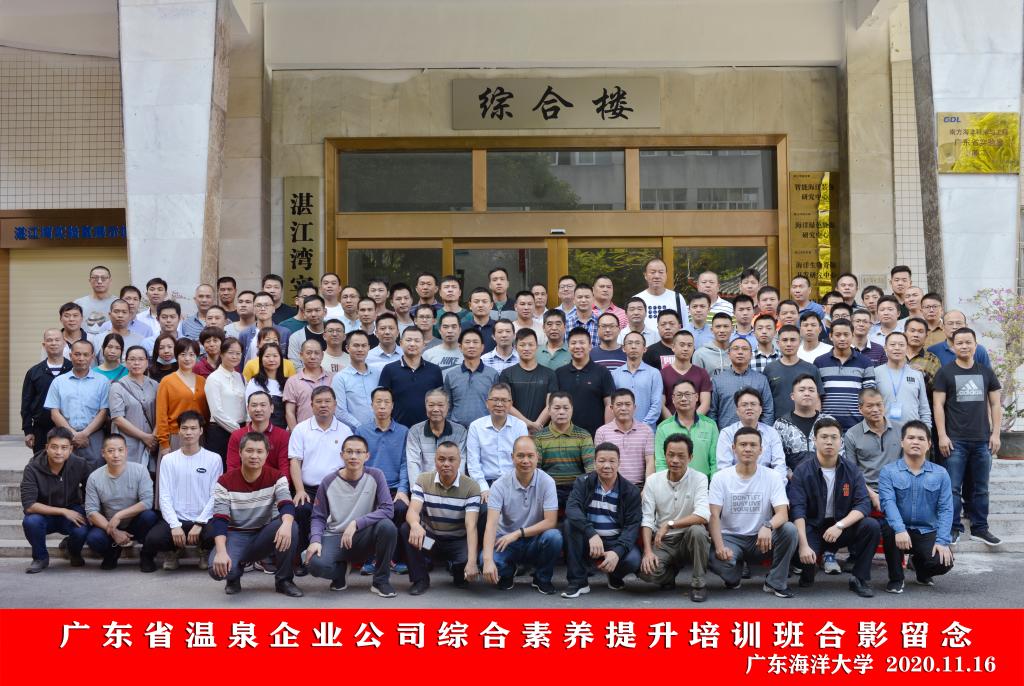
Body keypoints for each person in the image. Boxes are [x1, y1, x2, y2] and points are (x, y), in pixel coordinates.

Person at [788, 417, 879, 597]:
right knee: (804, 559)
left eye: (834, 437)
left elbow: (863, 504)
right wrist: (803, 545)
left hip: (840, 527)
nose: (829, 442)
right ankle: (808, 570)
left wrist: (840, 525)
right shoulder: (802, 471)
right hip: (812, 527)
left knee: (871, 526)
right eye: (824, 437)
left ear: (841, 441)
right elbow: (798, 509)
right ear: (814, 440)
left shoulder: (851, 470)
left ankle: (859, 579)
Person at [708, 427, 798, 598]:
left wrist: (768, 526)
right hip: (731, 538)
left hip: (761, 539)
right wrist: (719, 547)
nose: (748, 449)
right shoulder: (721, 478)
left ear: (761, 450)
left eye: (753, 445)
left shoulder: (772, 476)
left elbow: (782, 513)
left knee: (789, 530)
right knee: (719, 561)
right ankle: (733, 575)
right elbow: (713, 516)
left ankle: (775, 582)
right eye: (743, 445)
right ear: (733, 448)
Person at [209, 431, 302, 596]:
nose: (254, 456)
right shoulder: (225, 481)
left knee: (291, 526)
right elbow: (220, 520)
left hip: (264, 534)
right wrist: (221, 552)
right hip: (236, 535)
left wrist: (287, 524)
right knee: (217, 570)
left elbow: (286, 503)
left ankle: (284, 580)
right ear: (240, 452)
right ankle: (234, 576)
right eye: (249, 450)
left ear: (266, 454)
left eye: (259, 451)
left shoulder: (276, 477)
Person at [304, 434, 398, 597]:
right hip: (335, 537)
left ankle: (380, 581)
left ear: (367, 456)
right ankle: (340, 572)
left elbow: (388, 509)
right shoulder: (328, 481)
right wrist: (315, 541)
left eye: (359, 452)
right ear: (342, 455)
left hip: (364, 536)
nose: (354, 456)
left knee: (387, 527)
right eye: (349, 452)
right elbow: (318, 517)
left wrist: (356, 523)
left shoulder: (376, 475)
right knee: (314, 564)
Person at [933, 327, 1002, 546]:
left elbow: (995, 404)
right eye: (959, 343)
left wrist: (996, 434)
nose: (964, 346)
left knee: (981, 488)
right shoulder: (945, 372)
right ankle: (953, 528)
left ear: (975, 345)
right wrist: (942, 436)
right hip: (955, 441)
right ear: (953, 346)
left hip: (982, 439)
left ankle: (980, 528)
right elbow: (938, 405)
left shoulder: (986, 372)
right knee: (953, 488)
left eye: (968, 342)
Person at [878, 421, 954, 593]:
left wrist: (942, 541)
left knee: (944, 562)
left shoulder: (941, 473)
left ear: (929, 444)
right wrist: (900, 529)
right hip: (899, 529)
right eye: (911, 438)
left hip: (926, 530)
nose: (915, 442)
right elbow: (888, 503)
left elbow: (946, 509)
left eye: (921, 439)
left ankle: (920, 567)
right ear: (902, 442)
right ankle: (896, 578)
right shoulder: (888, 472)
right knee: (889, 528)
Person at [141, 412, 222, 572]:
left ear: (201, 431)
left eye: (193, 428)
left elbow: (216, 495)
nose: (188, 432)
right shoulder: (168, 460)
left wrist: (200, 523)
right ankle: (173, 551)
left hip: (204, 519)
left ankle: (205, 551)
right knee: (154, 539)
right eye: (184, 428)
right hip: (177, 518)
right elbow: (164, 496)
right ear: (178, 431)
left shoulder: (214, 459)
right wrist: (174, 525)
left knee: (216, 534)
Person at [481, 435, 562, 594]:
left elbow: (550, 521)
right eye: (520, 456)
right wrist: (488, 561)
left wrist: (518, 533)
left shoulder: (547, 482)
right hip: (506, 541)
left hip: (534, 540)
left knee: (554, 537)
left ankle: (542, 578)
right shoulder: (499, 485)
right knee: (486, 560)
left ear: (537, 457)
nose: (526, 460)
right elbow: (491, 524)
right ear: (512, 457)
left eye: (530, 456)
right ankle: (508, 572)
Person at [561, 443, 643, 598]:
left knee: (633, 560)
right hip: (589, 540)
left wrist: (617, 552)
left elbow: (632, 526)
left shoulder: (630, 491)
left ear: (619, 463)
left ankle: (615, 575)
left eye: (612, 461)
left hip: (615, 540)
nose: (607, 466)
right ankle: (578, 582)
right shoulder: (583, 482)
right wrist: (591, 533)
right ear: (594, 463)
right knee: (569, 525)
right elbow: (572, 509)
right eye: (602, 461)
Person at [637, 433, 711, 602]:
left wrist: (670, 524)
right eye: (671, 455)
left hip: (688, 538)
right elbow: (647, 518)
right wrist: (648, 552)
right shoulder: (653, 480)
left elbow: (703, 515)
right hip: (664, 542)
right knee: (646, 573)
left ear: (690, 457)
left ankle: (699, 584)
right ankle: (670, 573)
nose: (675, 460)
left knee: (698, 531)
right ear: (665, 455)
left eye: (681, 456)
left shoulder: (699, 478)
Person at [402, 441, 481, 595]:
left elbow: (471, 526)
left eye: (451, 459)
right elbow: (412, 511)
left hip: (457, 543)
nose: (446, 464)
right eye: (441, 459)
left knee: (465, 561)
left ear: (459, 461)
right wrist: (415, 525)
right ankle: (420, 579)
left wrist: (472, 562)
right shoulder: (423, 480)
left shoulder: (471, 487)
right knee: (407, 529)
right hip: (432, 543)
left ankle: (458, 570)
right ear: (435, 460)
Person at [289, 386, 353, 566]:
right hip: (308, 489)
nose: (323, 405)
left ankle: (337, 559)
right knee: (301, 510)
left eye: (327, 401)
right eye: (318, 402)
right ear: (311, 405)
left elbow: (350, 463)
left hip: (337, 489)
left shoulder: (345, 431)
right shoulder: (301, 429)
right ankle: (303, 559)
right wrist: (299, 490)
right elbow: (295, 461)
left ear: (335, 404)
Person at [356, 387, 411, 575]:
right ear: (371, 405)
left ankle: (394, 558)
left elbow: (405, 463)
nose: (382, 406)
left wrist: (403, 489)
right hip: (369, 487)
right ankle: (372, 559)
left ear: (393, 405)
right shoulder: (362, 430)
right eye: (378, 402)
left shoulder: (403, 431)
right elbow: (358, 463)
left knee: (401, 509)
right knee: (368, 509)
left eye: (386, 402)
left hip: (395, 488)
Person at [20, 427, 91, 573]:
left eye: (64, 447)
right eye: (54, 447)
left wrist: (86, 510)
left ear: (70, 449)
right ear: (47, 447)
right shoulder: (32, 468)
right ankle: (40, 558)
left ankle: (73, 551)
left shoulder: (80, 464)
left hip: (71, 508)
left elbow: (91, 490)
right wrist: (63, 511)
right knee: (31, 521)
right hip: (43, 513)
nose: (59, 452)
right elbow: (29, 505)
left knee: (83, 526)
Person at [84, 434, 158, 570]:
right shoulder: (94, 477)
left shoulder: (140, 470)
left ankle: (146, 555)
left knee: (149, 516)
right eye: (111, 451)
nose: (116, 455)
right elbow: (91, 511)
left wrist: (119, 515)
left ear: (126, 451)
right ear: (103, 453)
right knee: (94, 539)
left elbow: (147, 502)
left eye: (120, 450)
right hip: (109, 524)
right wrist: (114, 531)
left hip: (135, 522)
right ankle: (111, 552)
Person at [44, 339, 109, 471]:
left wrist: (85, 433)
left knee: (95, 472)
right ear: (70, 355)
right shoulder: (59, 382)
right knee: (65, 472)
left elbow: (103, 412)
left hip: (93, 435)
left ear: (92, 357)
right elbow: (54, 413)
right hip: (65, 434)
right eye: (77, 354)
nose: (81, 358)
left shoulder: (102, 381)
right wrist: (72, 434)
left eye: (86, 355)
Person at [843, 388, 902, 511]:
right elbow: (852, 473)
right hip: (866, 491)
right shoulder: (852, 435)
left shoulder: (900, 430)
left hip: (898, 489)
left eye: (879, 404)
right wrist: (872, 495)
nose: (875, 409)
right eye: (870, 406)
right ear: (860, 409)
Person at [466, 383, 530, 497]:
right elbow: (473, 462)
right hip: (486, 483)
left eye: (504, 400)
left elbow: (523, 459)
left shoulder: (520, 426)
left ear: (510, 404)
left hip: (514, 483)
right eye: (495, 400)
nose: (499, 404)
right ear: (487, 403)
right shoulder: (476, 426)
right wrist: (483, 488)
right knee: (484, 506)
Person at [534, 392, 595, 508]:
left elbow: (590, 468)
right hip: (548, 489)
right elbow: (536, 469)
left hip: (577, 489)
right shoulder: (539, 437)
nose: (561, 412)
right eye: (557, 408)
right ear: (549, 410)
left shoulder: (583, 435)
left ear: (572, 409)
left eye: (566, 408)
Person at [815, 318, 876, 431]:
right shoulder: (819, 362)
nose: (842, 338)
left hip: (857, 427)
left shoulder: (865, 362)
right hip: (826, 426)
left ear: (852, 335)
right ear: (830, 336)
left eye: (846, 334)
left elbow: (869, 395)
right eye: (838, 335)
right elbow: (816, 395)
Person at [556, 328, 615, 436]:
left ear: (590, 346)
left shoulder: (602, 372)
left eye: (582, 342)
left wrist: (606, 433)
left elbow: (609, 404)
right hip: (565, 436)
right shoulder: (559, 373)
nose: (578, 346)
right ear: (568, 347)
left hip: (594, 435)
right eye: (573, 343)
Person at [109, 345, 160, 471]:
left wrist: (153, 437)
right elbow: (117, 419)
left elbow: (161, 413)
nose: (136, 363)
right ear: (126, 362)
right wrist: (144, 437)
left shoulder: (155, 385)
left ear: (147, 362)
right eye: (132, 359)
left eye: (141, 359)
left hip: (152, 444)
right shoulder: (117, 386)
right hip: (128, 442)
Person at [654, 379, 718, 478]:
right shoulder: (663, 428)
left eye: (688, 394)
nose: (683, 399)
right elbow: (661, 463)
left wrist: (713, 483)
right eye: (679, 395)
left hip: (704, 484)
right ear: (673, 399)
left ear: (696, 397)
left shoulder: (710, 426)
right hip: (673, 484)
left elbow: (715, 462)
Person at [716, 388, 787, 477]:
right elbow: (724, 468)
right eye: (744, 405)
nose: (749, 408)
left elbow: (779, 465)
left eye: (753, 404)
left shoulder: (771, 433)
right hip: (736, 483)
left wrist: (776, 484)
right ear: (737, 410)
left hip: (767, 482)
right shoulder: (727, 433)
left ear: (760, 409)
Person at [22, 329, 72, 452]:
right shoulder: (34, 372)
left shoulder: (72, 369)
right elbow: (26, 403)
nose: (53, 343)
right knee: (41, 461)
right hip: (41, 429)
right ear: (44, 345)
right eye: (49, 340)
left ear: (64, 343)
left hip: (70, 428)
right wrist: (28, 430)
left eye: (57, 340)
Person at [156, 338, 210, 453]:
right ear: (176, 356)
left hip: (198, 436)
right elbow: (161, 414)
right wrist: (164, 442)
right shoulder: (167, 381)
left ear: (197, 357)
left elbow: (206, 412)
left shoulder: (202, 381)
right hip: (176, 436)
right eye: (183, 354)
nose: (187, 358)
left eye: (191, 355)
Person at [405, 388, 469, 485]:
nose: (435, 409)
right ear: (425, 406)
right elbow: (413, 464)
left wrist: (455, 489)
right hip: (424, 486)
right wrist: (417, 490)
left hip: (452, 486)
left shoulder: (460, 432)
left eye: (440, 405)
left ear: (448, 407)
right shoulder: (415, 431)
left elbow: (460, 464)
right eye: (431, 405)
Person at [774, 375, 835, 473]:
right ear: (792, 396)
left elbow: (839, 453)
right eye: (802, 390)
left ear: (817, 395)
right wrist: (790, 475)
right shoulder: (781, 424)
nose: (807, 393)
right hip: (792, 480)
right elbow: (776, 459)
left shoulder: (829, 422)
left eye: (811, 390)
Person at [499, 328, 557, 431]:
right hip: (514, 431)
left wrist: (537, 425)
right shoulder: (506, 374)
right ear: (515, 347)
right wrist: (528, 424)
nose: (526, 348)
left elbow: (551, 404)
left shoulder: (549, 374)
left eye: (531, 345)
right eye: (522, 345)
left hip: (543, 431)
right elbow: (506, 403)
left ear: (537, 347)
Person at [595, 389, 655, 486]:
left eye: (627, 404)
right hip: (611, 487)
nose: (623, 408)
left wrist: (647, 488)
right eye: (619, 404)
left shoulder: (646, 431)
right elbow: (598, 463)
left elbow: (650, 461)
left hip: (639, 487)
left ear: (634, 407)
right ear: (611, 408)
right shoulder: (602, 432)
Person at [709, 338, 774, 429]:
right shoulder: (717, 380)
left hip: (755, 434)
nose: (740, 352)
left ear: (751, 355)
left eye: (744, 349)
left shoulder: (761, 380)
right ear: (729, 354)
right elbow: (712, 412)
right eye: (736, 348)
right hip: (726, 434)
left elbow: (768, 411)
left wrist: (763, 433)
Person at [226, 391, 291, 476]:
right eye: (254, 405)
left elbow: (285, 469)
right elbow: (232, 469)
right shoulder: (237, 436)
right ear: (248, 409)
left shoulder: (283, 436)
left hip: (274, 483)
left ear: (272, 408)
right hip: (244, 482)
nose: (258, 409)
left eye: (263, 405)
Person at [444, 328, 500, 427]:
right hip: (457, 430)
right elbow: (447, 406)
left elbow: (497, 405)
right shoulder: (451, 375)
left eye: (475, 342)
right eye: (467, 342)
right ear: (460, 347)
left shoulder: (493, 374)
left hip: (484, 429)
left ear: (482, 347)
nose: (471, 345)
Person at [764, 324, 822, 418]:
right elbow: (766, 401)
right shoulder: (770, 369)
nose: (789, 344)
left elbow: (817, 400)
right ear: (778, 343)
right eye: (785, 340)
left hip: (807, 423)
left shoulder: (811, 369)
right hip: (777, 423)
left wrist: (815, 422)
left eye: (793, 340)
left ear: (800, 342)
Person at [875, 331, 931, 427]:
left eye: (901, 345)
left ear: (907, 348)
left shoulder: (917, 374)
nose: (897, 348)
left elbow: (924, 409)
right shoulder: (876, 373)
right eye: (892, 344)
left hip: (912, 431)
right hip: (884, 430)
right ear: (885, 348)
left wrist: (927, 430)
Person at [203, 337, 246, 462]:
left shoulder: (241, 377)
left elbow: (246, 404)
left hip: (241, 429)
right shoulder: (214, 378)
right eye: (231, 353)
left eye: (238, 353)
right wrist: (238, 430)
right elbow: (216, 412)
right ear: (221, 354)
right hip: (220, 432)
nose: (235, 356)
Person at [611, 330, 663, 429]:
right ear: (623, 348)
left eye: (637, 343)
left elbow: (656, 404)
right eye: (630, 343)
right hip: (621, 430)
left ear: (645, 349)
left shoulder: (654, 373)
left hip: (647, 431)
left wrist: (642, 427)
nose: (633, 346)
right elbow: (613, 404)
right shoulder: (615, 374)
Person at [332, 330, 380, 430]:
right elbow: (340, 412)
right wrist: (362, 429)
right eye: (356, 345)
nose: (360, 349)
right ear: (347, 348)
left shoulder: (377, 374)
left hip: (380, 430)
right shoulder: (340, 378)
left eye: (364, 345)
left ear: (369, 348)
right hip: (354, 434)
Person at [283, 339, 334, 429]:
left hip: (330, 431)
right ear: (301, 355)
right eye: (308, 353)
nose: (312, 357)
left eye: (316, 353)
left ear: (322, 355)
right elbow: (290, 412)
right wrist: (296, 433)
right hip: (304, 432)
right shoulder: (293, 381)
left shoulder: (332, 379)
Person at [660, 330, 712, 417]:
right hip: (670, 423)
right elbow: (661, 405)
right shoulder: (662, 374)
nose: (686, 349)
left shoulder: (702, 373)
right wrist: (673, 422)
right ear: (673, 347)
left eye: (689, 345)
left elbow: (705, 404)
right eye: (682, 345)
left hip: (697, 422)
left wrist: (692, 421)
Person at [635, 257, 688, 329]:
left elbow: (685, 327)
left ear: (666, 275)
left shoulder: (677, 298)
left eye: (661, 272)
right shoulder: (637, 299)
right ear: (645, 275)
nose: (657, 276)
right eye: (653, 272)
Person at [928, 310, 993, 367]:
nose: (955, 327)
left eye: (958, 323)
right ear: (943, 327)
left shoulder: (979, 350)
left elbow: (987, 375)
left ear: (966, 326)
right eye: (950, 323)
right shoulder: (933, 351)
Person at [238, 291, 291, 362]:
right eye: (258, 305)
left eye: (267, 305)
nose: (263, 309)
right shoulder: (245, 334)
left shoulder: (285, 333)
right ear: (253, 309)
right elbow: (240, 362)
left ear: (273, 308)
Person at [245, 342, 287, 429]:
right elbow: (249, 412)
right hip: (260, 430)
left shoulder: (287, 382)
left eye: (275, 356)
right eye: (267, 356)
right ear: (261, 359)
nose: (271, 359)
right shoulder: (254, 382)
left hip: (283, 430)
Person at [286, 294, 327, 365]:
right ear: (304, 314)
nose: (313, 314)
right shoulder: (296, 338)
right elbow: (295, 365)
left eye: (317, 310)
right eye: (309, 311)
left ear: (325, 312)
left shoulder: (334, 334)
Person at [75, 265, 116, 335]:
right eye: (95, 278)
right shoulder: (78, 303)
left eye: (103, 278)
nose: (99, 281)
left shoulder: (118, 303)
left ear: (110, 280)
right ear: (90, 281)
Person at [461, 287, 497, 353]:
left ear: (491, 305)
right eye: (476, 302)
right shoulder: (461, 328)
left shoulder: (498, 328)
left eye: (484, 301)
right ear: (470, 305)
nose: (480, 305)